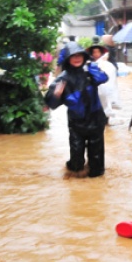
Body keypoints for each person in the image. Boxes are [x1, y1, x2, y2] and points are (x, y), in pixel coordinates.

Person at [45, 42, 108, 177]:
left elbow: (103, 78)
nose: (77, 58)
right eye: (73, 56)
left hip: (96, 119)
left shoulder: (90, 72)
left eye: (80, 55)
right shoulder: (63, 78)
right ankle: (73, 168)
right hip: (77, 123)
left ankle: (94, 185)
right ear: (68, 58)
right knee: (76, 163)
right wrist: (56, 94)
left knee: (97, 166)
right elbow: (51, 103)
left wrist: (92, 67)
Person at [88, 43, 118, 123]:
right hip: (93, 92)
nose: (96, 54)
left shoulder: (107, 64)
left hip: (104, 91)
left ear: (101, 53)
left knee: (105, 107)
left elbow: (110, 77)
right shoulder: (88, 64)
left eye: (98, 52)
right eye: (94, 52)